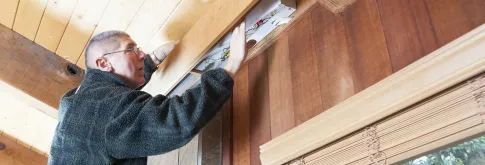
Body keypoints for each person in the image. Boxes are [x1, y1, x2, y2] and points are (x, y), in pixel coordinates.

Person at [48, 22, 248, 165]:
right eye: (131, 49)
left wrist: (151, 61)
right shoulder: (107, 110)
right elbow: (176, 123)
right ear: (104, 63)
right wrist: (229, 68)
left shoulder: (75, 99)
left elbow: (115, 95)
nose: (141, 54)